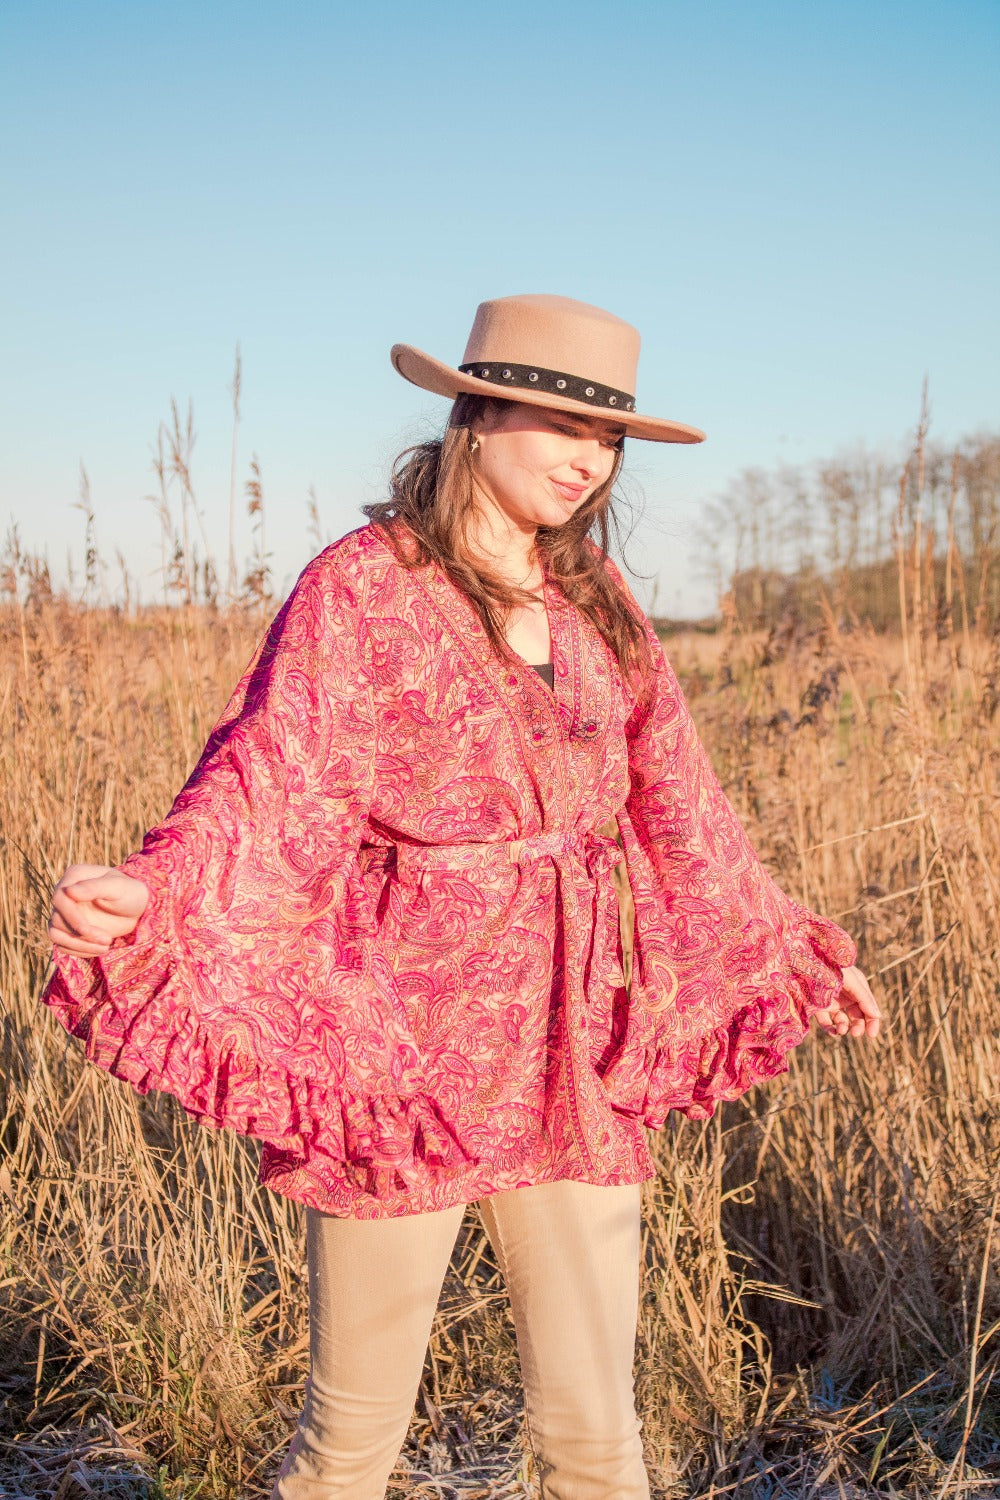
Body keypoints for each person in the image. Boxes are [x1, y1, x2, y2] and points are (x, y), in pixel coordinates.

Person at [43, 293, 881, 1499]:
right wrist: (155, 890)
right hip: (399, 1053)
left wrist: (792, 952)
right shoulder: (365, 587)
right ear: (474, 417)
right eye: (560, 424)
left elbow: (682, 806)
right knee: (349, 1453)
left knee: (598, 1442)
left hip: (574, 1051)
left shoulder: (595, 598)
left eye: (608, 439)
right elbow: (275, 766)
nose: (589, 459)